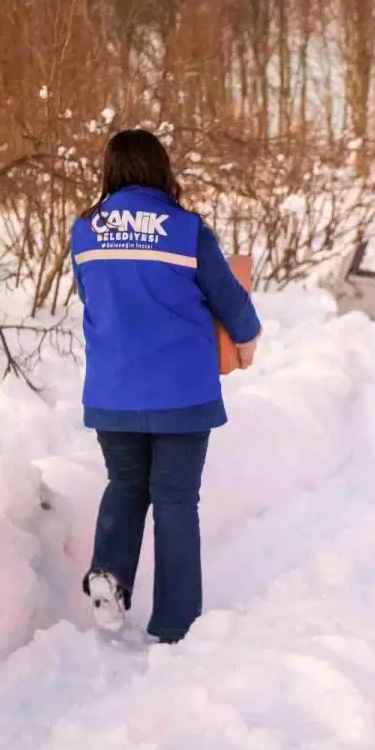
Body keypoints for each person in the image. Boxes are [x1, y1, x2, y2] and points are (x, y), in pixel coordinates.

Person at [70, 129, 261, 644]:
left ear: (110, 170)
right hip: (181, 393)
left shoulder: (85, 231)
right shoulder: (185, 230)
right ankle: (176, 623)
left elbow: (90, 293)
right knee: (175, 500)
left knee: (126, 485)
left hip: (114, 393)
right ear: (161, 169)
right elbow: (229, 299)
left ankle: (109, 572)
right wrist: (248, 336)